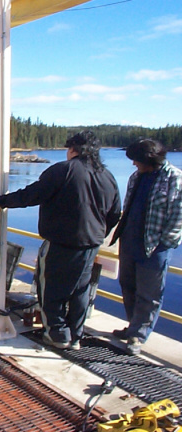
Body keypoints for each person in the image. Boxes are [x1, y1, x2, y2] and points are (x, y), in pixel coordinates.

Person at [0, 131, 121, 350]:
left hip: (61, 243)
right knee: (80, 290)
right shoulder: (107, 176)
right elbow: (115, 213)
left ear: (73, 149)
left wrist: (0, 200)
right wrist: (98, 234)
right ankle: (76, 336)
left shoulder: (63, 170)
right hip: (91, 245)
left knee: (51, 289)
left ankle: (57, 334)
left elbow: (31, 195)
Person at [109, 138, 182, 355]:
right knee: (127, 285)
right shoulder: (136, 177)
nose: (133, 165)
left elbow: (178, 216)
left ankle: (138, 336)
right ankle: (133, 326)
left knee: (149, 294)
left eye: (136, 160)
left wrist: (166, 242)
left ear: (150, 159)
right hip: (129, 241)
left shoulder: (175, 179)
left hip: (154, 246)